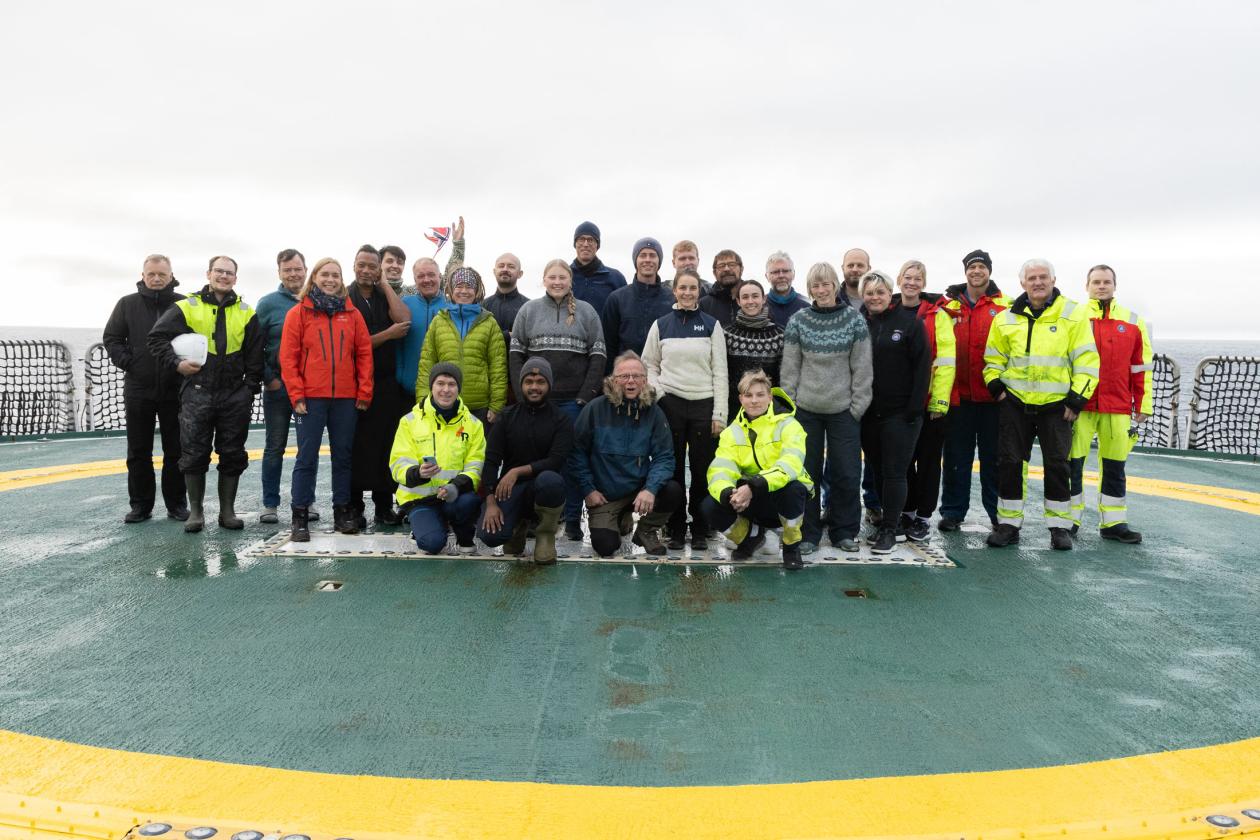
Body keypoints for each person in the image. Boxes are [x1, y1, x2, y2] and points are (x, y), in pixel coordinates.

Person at [983, 259, 1099, 550]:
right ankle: (1008, 523)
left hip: (1057, 406)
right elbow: (993, 359)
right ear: (1022, 283)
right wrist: (996, 388)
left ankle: (1059, 527)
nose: (1038, 282)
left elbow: (1087, 361)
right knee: (1010, 463)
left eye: (1043, 277)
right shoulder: (1005, 317)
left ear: (1053, 279)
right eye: (1032, 278)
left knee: (1058, 464)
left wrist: (1077, 399)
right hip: (1015, 404)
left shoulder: (1073, 315)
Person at [148, 255, 263, 533]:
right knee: (194, 453)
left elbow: (256, 355)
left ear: (235, 278)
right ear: (209, 274)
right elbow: (156, 338)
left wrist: (249, 389)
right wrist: (177, 364)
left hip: (234, 395)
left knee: (233, 452)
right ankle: (196, 512)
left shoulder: (247, 312)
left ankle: (228, 512)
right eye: (219, 271)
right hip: (197, 393)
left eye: (229, 273)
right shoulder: (187, 307)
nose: (224, 276)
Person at [510, 259, 608, 541]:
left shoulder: (587, 313)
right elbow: (516, 355)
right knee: (536, 460)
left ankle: (575, 519)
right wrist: (522, 394)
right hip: (537, 401)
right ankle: (536, 518)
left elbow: (598, 356)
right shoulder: (528, 311)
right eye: (552, 277)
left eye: (562, 277)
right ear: (544, 279)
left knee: (573, 460)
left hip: (573, 403)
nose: (557, 282)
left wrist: (585, 397)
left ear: (570, 281)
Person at [780, 262, 872, 555]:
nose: (821, 290)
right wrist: (791, 405)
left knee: (846, 472)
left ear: (835, 285)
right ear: (810, 290)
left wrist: (857, 406)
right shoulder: (799, 321)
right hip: (806, 410)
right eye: (815, 286)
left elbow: (862, 367)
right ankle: (807, 532)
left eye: (826, 284)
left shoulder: (854, 321)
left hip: (844, 411)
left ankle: (843, 530)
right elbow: (791, 368)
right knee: (806, 474)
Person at [278, 258, 374, 540]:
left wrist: (364, 391)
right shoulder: (298, 313)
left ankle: (342, 511)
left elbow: (364, 354)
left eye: (336, 275)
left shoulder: (352, 314)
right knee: (306, 457)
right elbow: (289, 357)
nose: (330, 279)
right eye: (325, 274)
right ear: (315, 277)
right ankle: (300, 515)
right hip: (311, 398)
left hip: (345, 398)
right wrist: (296, 394)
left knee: (343, 457)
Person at [641, 268, 729, 551]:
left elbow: (721, 372)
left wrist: (720, 414)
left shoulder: (711, 325)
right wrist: (660, 394)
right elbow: (648, 365)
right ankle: (675, 527)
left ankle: (701, 528)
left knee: (703, 471)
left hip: (704, 405)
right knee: (674, 469)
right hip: (671, 404)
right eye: (683, 288)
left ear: (699, 292)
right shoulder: (661, 325)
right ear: (675, 290)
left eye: (693, 288)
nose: (688, 293)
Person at [569, 352, 684, 557]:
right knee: (606, 546)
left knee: (673, 490)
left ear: (645, 381)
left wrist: (650, 488)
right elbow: (576, 453)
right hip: (605, 495)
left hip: (639, 491)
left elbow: (664, 457)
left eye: (637, 376)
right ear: (613, 380)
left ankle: (646, 530)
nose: (631, 381)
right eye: (624, 376)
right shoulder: (594, 409)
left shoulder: (654, 413)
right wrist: (588, 489)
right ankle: (620, 517)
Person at [1068, 264, 1152, 543]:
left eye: (1106, 282)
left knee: (1115, 466)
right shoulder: (1074, 316)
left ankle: (1114, 522)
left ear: (1114, 285)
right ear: (1087, 285)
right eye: (1096, 282)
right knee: (1073, 465)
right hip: (1080, 403)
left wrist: (1143, 404)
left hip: (1117, 405)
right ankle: (1068, 520)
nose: (1101, 286)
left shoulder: (1132, 321)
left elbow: (1140, 367)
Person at [102, 254, 188, 523]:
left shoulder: (184, 304)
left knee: (176, 449)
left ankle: (176, 504)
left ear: (170, 275)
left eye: (161, 274)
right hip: (139, 387)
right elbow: (112, 338)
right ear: (143, 275)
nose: (156, 278)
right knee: (139, 450)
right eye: (151, 274)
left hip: (175, 388)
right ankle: (140, 505)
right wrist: (130, 363)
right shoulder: (127, 304)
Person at [703, 370, 812, 569]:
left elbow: (791, 463)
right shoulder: (731, 432)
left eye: (760, 395)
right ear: (740, 399)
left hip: (780, 498)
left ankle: (791, 546)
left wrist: (754, 486)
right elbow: (721, 468)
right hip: (749, 501)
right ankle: (750, 538)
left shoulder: (789, 425)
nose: (754, 401)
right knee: (710, 506)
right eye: (748, 395)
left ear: (770, 397)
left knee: (793, 489)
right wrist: (729, 493)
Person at [937, 249, 1010, 531]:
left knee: (994, 460)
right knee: (956, 458)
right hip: (959, 398)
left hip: (994, 398)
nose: (976, 271)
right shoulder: (948, 306)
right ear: (965, 271)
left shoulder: (1006, 306)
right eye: (972, 267)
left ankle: (997, 514)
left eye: (981, 267)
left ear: (989, 271)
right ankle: (953, 512)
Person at [858, 270, 931, 553]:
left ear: (891, 294)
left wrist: (914, 409)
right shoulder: (861, 324)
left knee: (894, 471)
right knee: (876, 469)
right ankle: (892, 525)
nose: (874, 297)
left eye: (880, 292)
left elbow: (922, 367)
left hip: (901, 413)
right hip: (869, 412)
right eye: (869, 293)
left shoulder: (910, 324)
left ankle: (890, 528)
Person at [477, 357, 574, 564]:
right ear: (521, 385)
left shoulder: (561, 419)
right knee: (489, 536)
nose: (534, 387)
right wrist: (491, 499)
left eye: (540, 382)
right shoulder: (506, 417)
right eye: (529, 382)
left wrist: (516, 471)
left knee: (551, 481)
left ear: (549, 385)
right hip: (510, 489)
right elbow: (491, 461)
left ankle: (545, 534)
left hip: (543, 486)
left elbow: (555, 461)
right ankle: (517, 527)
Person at [389, 362, 485, 555]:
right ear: (431, 387)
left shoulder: (474, 424)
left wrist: (455, 486)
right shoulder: (409, 421)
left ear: (459, 388)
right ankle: (428, 526)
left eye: (452, 384)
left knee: (469, 503)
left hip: (454, 496)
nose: (446, 390)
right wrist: (418, 472)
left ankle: (463, 534)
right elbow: (398, 464)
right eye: (440, 383)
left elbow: (475, 468)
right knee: (432, 544)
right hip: (420, 499)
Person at [348, 245, 412, 528]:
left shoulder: (383, 295)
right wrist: (387, 335)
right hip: (353, 384)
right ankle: (353, 506)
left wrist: (385, 285)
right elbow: (353, 346)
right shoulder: (344, 298)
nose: (366, 271)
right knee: (356, 447)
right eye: (361, 265)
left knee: (387, 444)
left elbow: (404, 320)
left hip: (386, 385)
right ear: (354, 265)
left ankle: (383, 506)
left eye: (372, 267)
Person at [255, 248, 320, 524]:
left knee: (309, 446)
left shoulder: (319, 300)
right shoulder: (268, 304)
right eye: (287, 270)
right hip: (279, 387)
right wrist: (269, 378)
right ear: (279, 273)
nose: (293, 274)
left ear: (306, 270)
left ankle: (307, 500)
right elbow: (255, 346)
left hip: (310, 388)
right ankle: (270, 504)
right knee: (275, 446)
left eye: (298, 269)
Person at [894, 260, 956, 542]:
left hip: (930, 403)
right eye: (907, 277)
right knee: (902, 461)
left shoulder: (937, 316)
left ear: (923, 282)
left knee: (929, 462)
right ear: (899, 280)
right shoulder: (890, 310)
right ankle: (905, 512)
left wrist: (939, 402)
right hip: (898, 401)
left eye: (918, 278)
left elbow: (945, 361)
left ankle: (922, 517)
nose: (912, 282)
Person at [416, 266, 508, 423]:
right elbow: (426, 364)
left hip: (479, 408)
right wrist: (423, 401)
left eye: (469, 286)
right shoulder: (439, 322)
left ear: (477, 291)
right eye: (459, 286)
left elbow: (498, 367)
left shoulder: (490, 323)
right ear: (451, 290)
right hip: (443, 404)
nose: (464, 291)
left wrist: (496, 405)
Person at [396, 218, 465, 404]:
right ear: (414, 279)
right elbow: (397, 345)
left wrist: (458, 244)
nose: (426, 280)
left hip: (445, 393)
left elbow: (455, 269)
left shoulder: (452, 307)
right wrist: (401, 375)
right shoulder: (404, 303)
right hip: (407, 389)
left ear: (440, 278)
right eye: (421, 276)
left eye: (431, 275)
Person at [601, 236, 675, 366]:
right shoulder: (617, 298)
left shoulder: (672, 299)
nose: (647, 260)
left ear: (659, 260)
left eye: (652, 255)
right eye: (643, 255)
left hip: (662, 375)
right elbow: (609, 344)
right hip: (626, 375)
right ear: (636, 260)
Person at [724, 279, 785, 422]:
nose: (750, 301)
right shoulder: (726, 334)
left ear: (763, 299)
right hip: (734, 409)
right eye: (745, 297)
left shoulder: (779, 335)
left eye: (755, 296)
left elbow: (784, 376)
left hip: (769, 410)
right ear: (738, 301)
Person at [570, 221, 626, 315]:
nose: (586, 244)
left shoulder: (616, 278)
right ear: (575, 244)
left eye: (591, 240)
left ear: (597, 245)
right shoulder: (563, 277)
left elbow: (625, 312)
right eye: (581, 239)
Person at [483, 252, 530, 347]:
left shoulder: (529, 307)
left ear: (520, 274)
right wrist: (507, 335)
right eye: (501, 266)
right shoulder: (482, 306)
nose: (505, 269)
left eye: (511, 266)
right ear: (494, 271)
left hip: (519, 361)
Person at [764, 251, 809, 328]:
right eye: (775, 272)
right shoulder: (759, 306)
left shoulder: (807, 305)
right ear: (767, 276)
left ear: (793, 274)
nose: (781, 275)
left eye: (785, 271)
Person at [698, 249, 743, 327]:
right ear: (714, 273)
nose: (726, 269)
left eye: (732, 264)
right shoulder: (703, 305)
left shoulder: (753, 300)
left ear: (741, 269)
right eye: (721, 266)